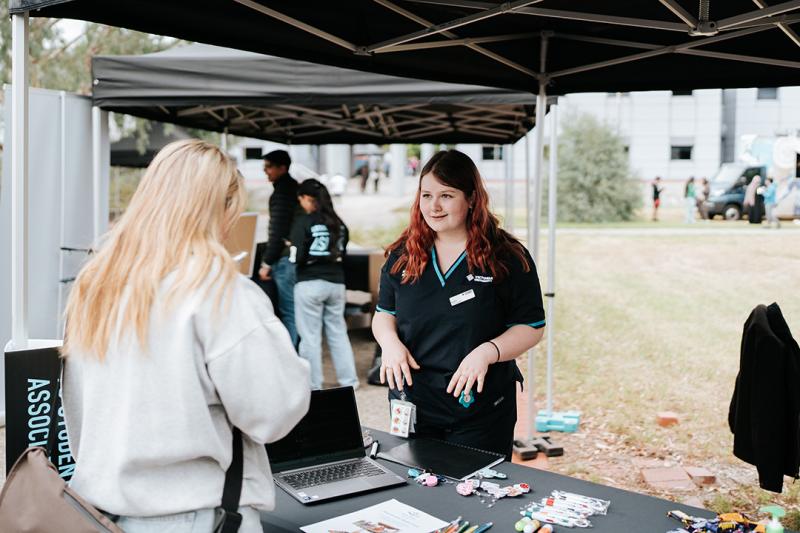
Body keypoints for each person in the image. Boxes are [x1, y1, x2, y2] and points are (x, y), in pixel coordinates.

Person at [61, 140, 311, 532]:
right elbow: (274, 413)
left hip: (101, 513)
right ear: (223, 206)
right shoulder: (220, 291)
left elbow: (79, 414)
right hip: (197, 516)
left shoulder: (95, 286)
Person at [372, 150, 545, 458]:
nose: (433, 206)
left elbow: (530, 327)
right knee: (417, 491)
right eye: (426, 195)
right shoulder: (403, 254)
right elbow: (385, 314)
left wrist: (487, 352)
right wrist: (389, 344)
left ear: (472, 199)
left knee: (476, 494)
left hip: (479, 408)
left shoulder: (507, 257)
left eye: (446, 195)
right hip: (412, 402)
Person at [290, 178, 359, 390]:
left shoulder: (304, 221)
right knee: (338, 333)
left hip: (309, 283)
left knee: (310, 337)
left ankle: (313, 385)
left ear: (308, 199)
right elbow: (343, 253)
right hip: (336, 284)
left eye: (301, 199)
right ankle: (349, 381)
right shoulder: (339, 224)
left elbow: (297, 256)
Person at [259, 149, 300, 345]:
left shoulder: (282, 193)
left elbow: (277, 231)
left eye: (268, 167)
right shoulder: (294, 188)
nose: (265, 171)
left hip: (285, 260)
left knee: (288, 312)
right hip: (296, 258)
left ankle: (291, 357)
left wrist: (266, 262)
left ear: (282, 168)